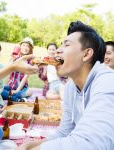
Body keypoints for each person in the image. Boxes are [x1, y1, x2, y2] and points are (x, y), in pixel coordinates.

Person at [16, 21, 114, 150]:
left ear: (86, 54)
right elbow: (64, 132)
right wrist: (29, 145)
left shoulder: (108, 81)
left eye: (66, 45)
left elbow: (92, 143)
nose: (57, 51)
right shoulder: (70, 86)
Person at [1, 37, 34, 102]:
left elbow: (25, 77)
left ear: (30, 49)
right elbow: (7, 69)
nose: (25, 48)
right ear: (20, 46)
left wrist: (17, 90)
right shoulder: (15, 57)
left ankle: (12, 96)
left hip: (22, 87)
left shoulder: (30, 61)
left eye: (28, 46)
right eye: (23, 45)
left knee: (30, 91)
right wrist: (11, 59)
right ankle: (16, 98)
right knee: (0, 90)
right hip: (10, 86)